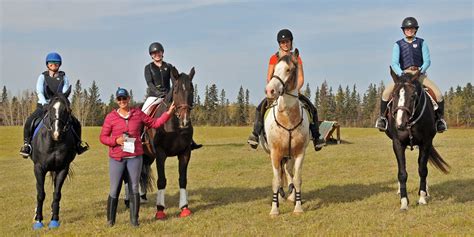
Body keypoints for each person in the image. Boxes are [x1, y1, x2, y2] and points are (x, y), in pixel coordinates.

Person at [100, 87, 175, 227]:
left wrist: (168, 113)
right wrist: (115, 141)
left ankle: (134, 220)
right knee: (114, 188)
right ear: (117, 101)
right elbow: (103, 137)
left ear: (129, 99)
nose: (122, 101)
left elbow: (155, 123)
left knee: (134, 187)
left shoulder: (138, 114)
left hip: (135, 158)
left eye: (124, 98)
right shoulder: (111, 117)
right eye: (119, 99)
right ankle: (110, 221)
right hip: (117, 158)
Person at [247, 29, 326, 151]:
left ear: (291, 42)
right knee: (260, 108)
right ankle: (255, 134)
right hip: (277, 91)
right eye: (282, 42)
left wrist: (295, 89)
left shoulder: (296, 59)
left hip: (293, 92)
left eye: (287, 41)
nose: (285, 44)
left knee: (312, 109)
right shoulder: (274, 58)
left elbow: (300, 78)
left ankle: (316, 137)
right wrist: (276, 88)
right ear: (279, 44)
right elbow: (269, 77)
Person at [375, 17, 447, 132]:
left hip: (419, 74)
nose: (409, 30)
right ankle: (383, 119)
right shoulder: (398, 44)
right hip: (404, 74)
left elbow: (427, 61)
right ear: (403, 30)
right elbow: (394, 63)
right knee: (385, 93)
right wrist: (401, 74)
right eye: (407, 29)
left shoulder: (422, 43)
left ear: (415, 30)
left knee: (438, 95)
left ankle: (439, 121)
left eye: (412, 29)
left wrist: (420, 71)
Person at [19, 52, 89, 158]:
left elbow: (65, 92)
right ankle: (27, 145)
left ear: (59, 65)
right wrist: (45, 103)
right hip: (44, 105)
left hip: (59, 105)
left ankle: (78, 144)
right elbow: (39, 92)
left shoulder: (63, 77)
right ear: (47, 65)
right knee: (30, 121)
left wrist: (61, 102)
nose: (54, 65)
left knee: (76, 122)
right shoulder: (42, 77)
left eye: (56, 63)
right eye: (51, 63)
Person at [142, 42, 202, 150]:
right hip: (153, 96)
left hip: (168, 95)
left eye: (158, 52)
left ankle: (190, 140)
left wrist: (172, 93)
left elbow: (175, 82)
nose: (157, 54)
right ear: (151, 55)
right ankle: (141, 135)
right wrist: (157, 92)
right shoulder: (148, 67)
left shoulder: (168, 66)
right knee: (144, 112)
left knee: (181, 110)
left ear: (162, 53)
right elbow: (149, 83)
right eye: (154, 53)